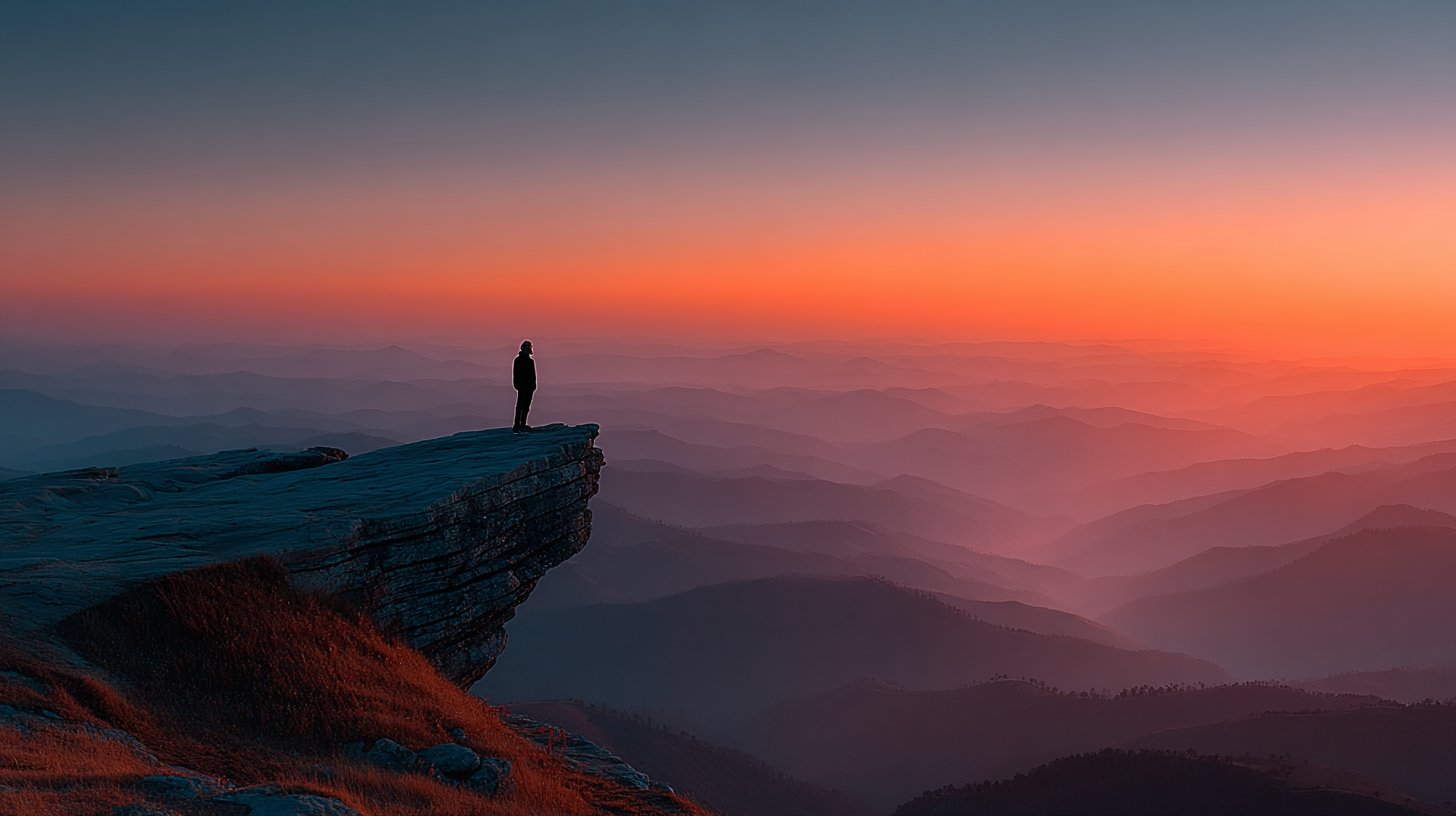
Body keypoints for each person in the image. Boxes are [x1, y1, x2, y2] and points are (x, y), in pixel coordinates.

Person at [512, 340, 536, 432]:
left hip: (527, 387)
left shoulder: (527, 361)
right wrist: (517, 385)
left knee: (524, 406)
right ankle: (518, 425)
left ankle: (521, 424)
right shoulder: (521, 361)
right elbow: (516, 374)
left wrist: (533, 386)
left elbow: (533, 375)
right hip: (524, 387)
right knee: (522, 406)